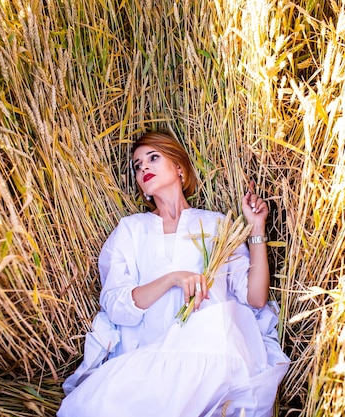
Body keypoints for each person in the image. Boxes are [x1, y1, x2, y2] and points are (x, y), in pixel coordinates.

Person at [58, 132, 289, 417]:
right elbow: (117, 305)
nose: (143, 167)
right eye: (137, 165)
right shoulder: (131, 230)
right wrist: (171, 278)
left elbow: (254, 299)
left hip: (213, 347)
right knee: (93, 406)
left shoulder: (216, 224)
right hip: (152, 350)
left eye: (153, 158)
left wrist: (256, 228)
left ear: (180, 169)